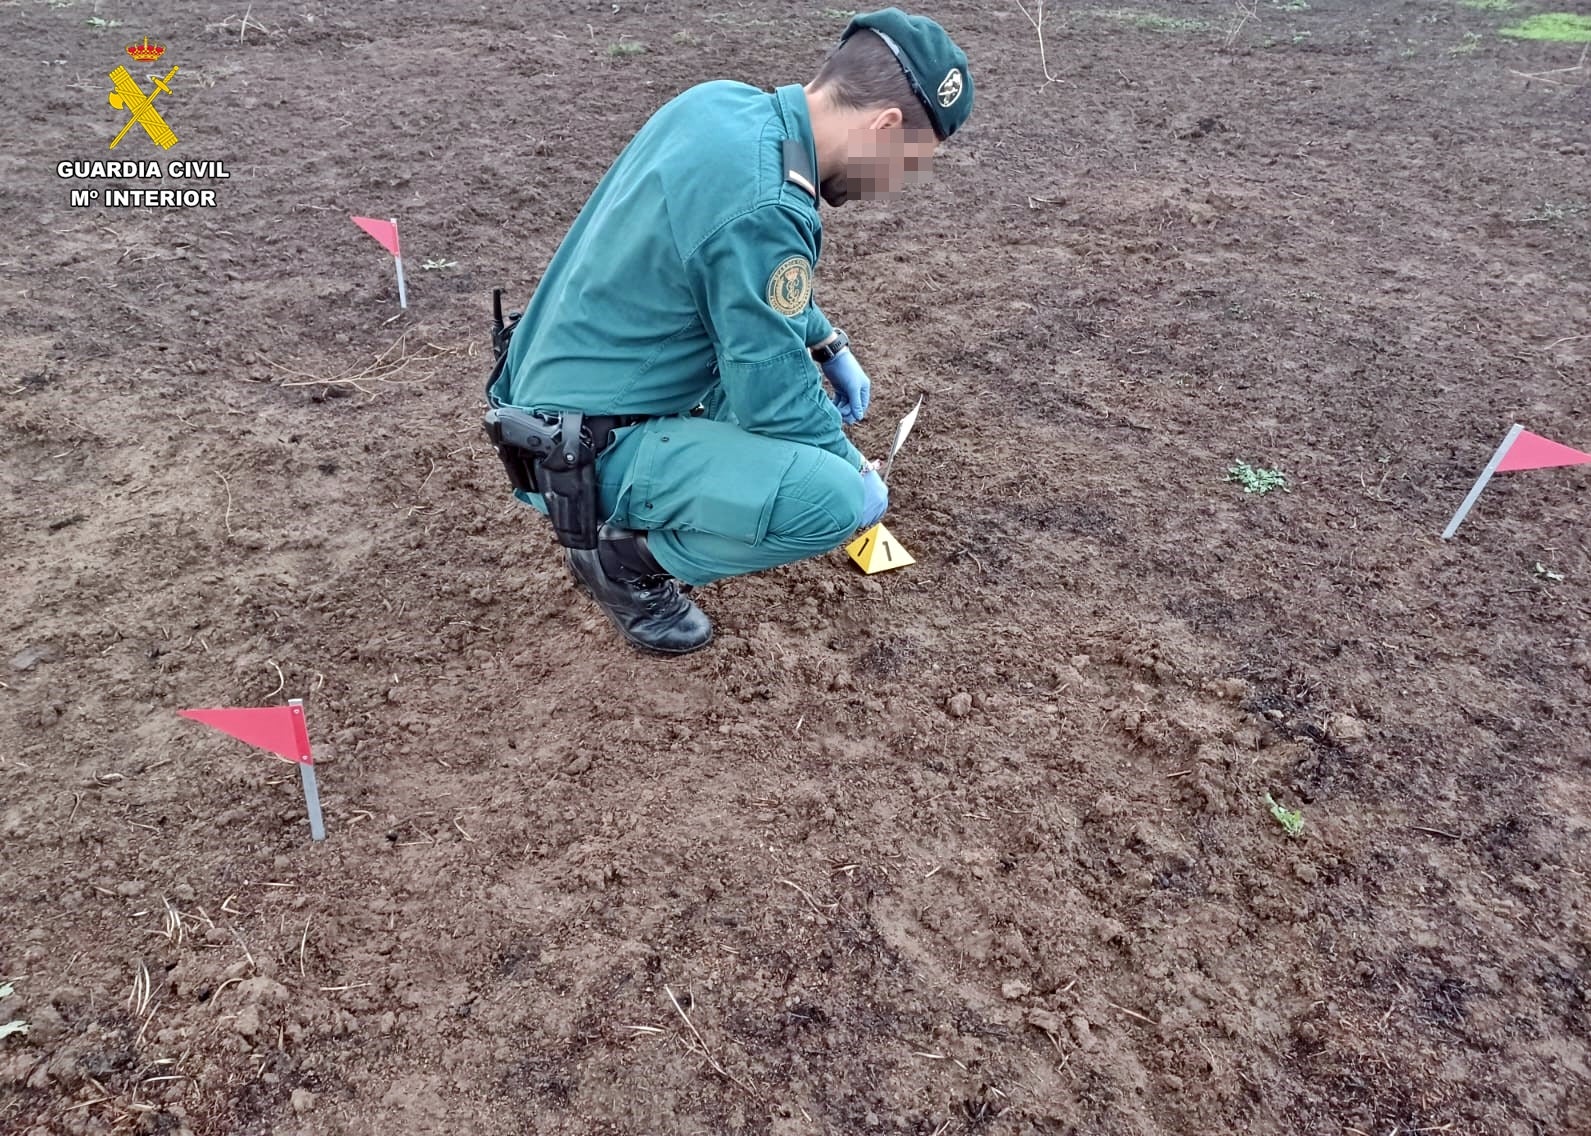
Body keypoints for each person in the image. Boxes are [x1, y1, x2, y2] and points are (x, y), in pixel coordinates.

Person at [482, 8, 974, 654]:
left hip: (546, 393)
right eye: (908, 165)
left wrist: (825, 342)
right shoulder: (769, 206)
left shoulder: (723, 106)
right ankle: (620, 563)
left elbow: (731, 266)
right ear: (883, 128)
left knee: (770, 413)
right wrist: (857, 470)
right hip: (579, 451)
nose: (896, 185)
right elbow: (773, 398)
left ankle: (651, 494)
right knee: (829, 498)